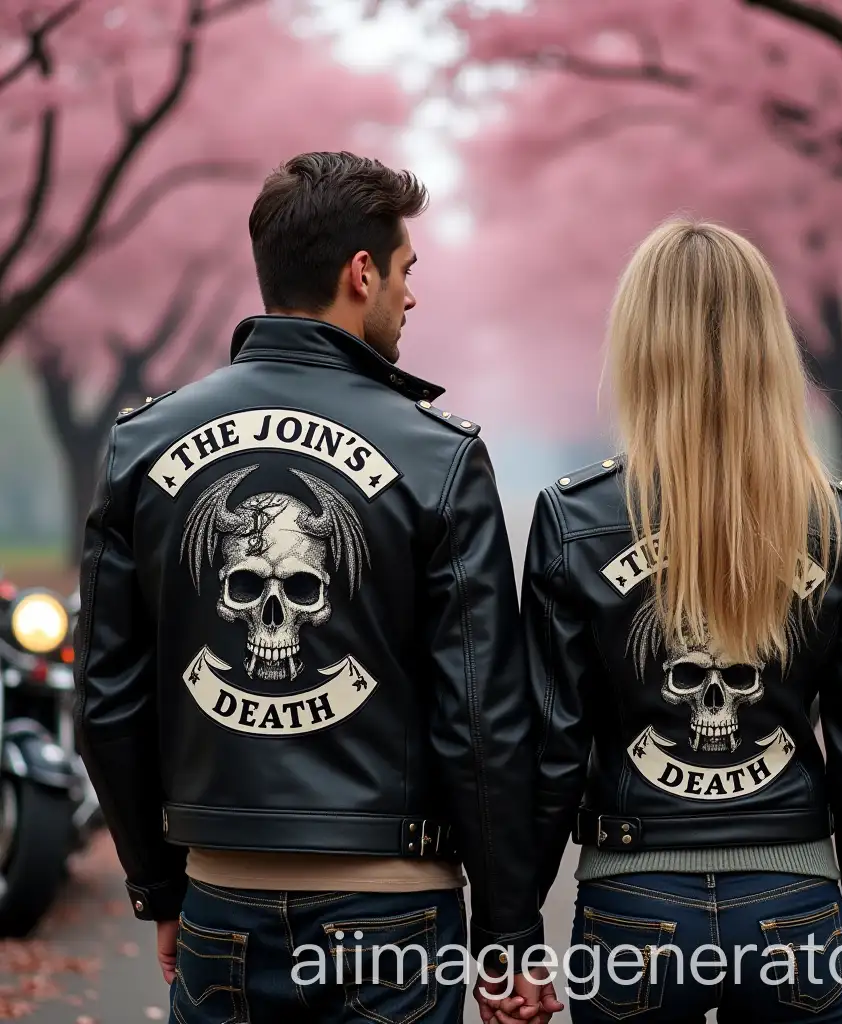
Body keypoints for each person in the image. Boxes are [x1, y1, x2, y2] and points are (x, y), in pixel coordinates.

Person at [73, 151, 558, 1023]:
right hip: (395, 910)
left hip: (221, 902)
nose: (412, 296)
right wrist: (509, 935)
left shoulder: (140, 447)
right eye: (407, 271)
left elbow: (107, 699)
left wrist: (160, 886)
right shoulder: (438, 457)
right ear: (360, 272)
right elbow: (484, 720)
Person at [503, 220, 842, 1023]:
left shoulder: (575, 517)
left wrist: (513, 939)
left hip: (632, 902)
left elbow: (548, 751)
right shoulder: (839, 523)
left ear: (639, 347)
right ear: (770, 347)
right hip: (796, 908)